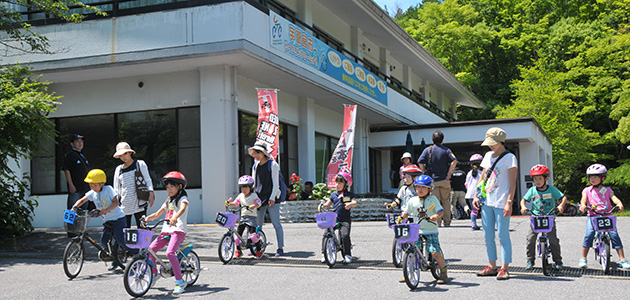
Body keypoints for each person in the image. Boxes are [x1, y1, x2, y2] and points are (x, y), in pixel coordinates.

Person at [70, 169, 138, 270]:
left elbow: (115, 203)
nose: (92, 187)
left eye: (95, 185)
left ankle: (137, 254)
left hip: (118, 219)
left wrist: (105, 210)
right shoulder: (92, 193)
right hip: (107, 221)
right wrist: (74, 208)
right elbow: (82, 200)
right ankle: (115, 259)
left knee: (121, 240)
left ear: (102, 183)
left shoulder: (108, 189)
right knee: (104, 242)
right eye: (91, 185)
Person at [473, 127, 517, 280]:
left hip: (502, 201)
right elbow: (483, 177)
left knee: (503, 235)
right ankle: (492, 266)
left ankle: (504, 268)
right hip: (487, 201)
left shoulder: (510, 157)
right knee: (488, 235)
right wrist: (476, 196)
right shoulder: (487, 156)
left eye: (493, 143)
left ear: (501, 141)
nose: (491, 146)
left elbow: (513, 183)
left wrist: (509, 202)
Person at [143, 171, 190, 294]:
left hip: (178, 230)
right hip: (166, 231)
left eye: (172, 186)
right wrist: (147, 218)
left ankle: (180, 281)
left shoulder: (182, 198)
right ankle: (154, 274)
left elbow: (183, 208)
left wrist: (175, 218)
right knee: (150, 251)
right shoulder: (168, 200)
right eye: (167, 187)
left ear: (179, 186)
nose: (169, 189)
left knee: (170, 253)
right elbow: (158, 213)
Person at [399, 175, 449, 284]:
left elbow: (441, 211)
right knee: (411, 250)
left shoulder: (433, 199)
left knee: (434, 252)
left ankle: (444, 272)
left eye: (423, 187)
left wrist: (437, 215)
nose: (420, 190)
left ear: (429, 189)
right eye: (417, 187)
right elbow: (406, 212)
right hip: (417, 230)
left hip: (431, 230)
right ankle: (407, 273)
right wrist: (401, 218)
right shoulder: (412, 200)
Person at [577, 164, 630, 269]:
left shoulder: (607, 190)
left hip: (607, 215)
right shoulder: (587, 190)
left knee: (614, 235)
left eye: (595, 177)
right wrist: (583, 205)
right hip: (593, 216)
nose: (592, 179)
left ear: (603, 178)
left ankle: (622, 259)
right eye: (591, 177)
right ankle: (583, 258)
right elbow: (583, 199)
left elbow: (614, 198)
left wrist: (619, 204)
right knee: (589, 234)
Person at [519, 164, 567, 270]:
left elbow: (563, 197)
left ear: (546, 178)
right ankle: (530, 260)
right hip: (535, 218)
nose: (537, 181)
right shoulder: (532, 190)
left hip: (549, 217)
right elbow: (523, 200)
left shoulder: (552, 189)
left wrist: (560, 205)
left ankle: (558, 261)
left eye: (540, 179)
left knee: (553, 240)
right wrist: (523, 207)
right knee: (531, 239)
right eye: (535, 179)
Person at [249, 143, 285, 257]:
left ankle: (280, 248)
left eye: (258, 152)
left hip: (272, 197)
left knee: (276, 223)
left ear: (264, 153)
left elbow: (276, 183)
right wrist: (252, 198)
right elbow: (253, 183)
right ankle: (256, 247)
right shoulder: (255, 166)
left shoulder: (273, 165)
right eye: (255, 152)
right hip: (259, 198)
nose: (256, 155)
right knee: (257, 224)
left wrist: (272, 197)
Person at [417, 131, 458, 226]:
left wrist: (424, 173)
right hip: (444, 180)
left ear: (432, 140)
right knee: (446, 201)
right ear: (442, 140)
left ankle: (437, 221)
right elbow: (454, 160)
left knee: (435, 202)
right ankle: (447, 221)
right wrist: (449, 173)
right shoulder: (447, 150)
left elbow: (420, 162)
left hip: (432, 181)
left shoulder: (428, 150)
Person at [113, 142, 155, 228]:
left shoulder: (140, 164)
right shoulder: (118, 169)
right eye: (120, 155)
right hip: (124, 203)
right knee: (125, 230)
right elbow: (116, 188)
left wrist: (151, 193)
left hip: (139, 201)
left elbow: (147, 179)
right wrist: (115, 203)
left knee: (142, 228)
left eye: (125, 153)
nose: (123, 157)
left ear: (130, 153)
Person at [319, 171, 357, 264]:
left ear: (346, 184)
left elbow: (355, 203)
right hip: (334, 219)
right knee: (326, 233)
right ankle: (325, 254)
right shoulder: (334, 195)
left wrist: (350, 204)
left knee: (345, 235)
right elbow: (327, 204)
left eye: (340, 183)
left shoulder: (349, 195)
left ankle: (347, 255)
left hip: (345, 220)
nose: (337, 185)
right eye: (336, 183)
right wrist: (322, 206)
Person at [226, 175, 263, 259]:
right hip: (243, 218)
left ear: (251, 187)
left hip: (252, 218)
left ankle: (258, 250)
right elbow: (236, 203)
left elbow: (259, 202)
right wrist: (229, 203)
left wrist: (255, 205)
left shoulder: (253, 196)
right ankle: (238, 251)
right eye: (242, 187)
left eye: (246, 187)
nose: (244, 189)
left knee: (253, 236)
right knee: (237, 236)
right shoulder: (240, 196)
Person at [64, 134, 89, 211]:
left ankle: (81, 224)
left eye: (81, 141)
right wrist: (71, 185)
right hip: (75, 189)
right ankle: (68, 223)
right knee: (72, 209)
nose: (80, 143)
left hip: (85, 188)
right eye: (77, 141)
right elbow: (67, 170)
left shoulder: (82, 155)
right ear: (72, 144)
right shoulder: (70, 155)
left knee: (83, 211)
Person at [465, 154, 483, 230]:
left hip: (469, 194)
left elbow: (466, 184)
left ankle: (473, 225)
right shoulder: (481, 173)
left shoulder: (469, 173)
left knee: (474, 210)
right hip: (479, 194)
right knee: (483, 210)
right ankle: (485, 225)